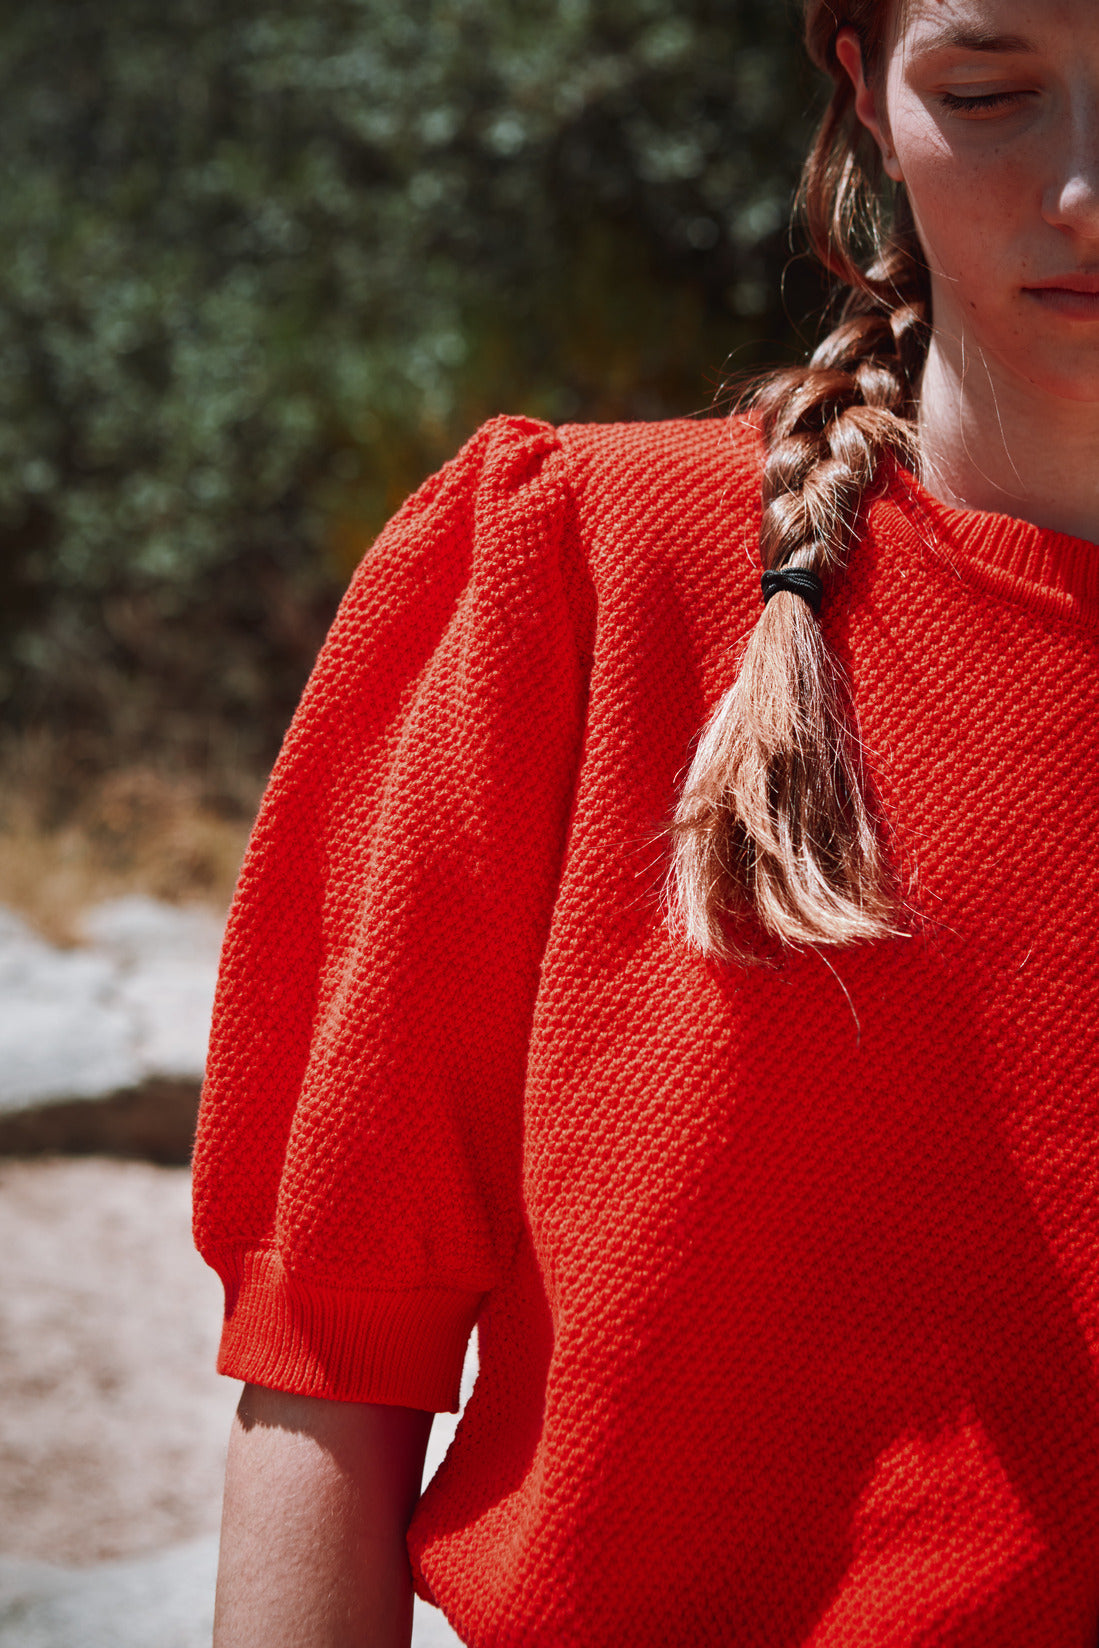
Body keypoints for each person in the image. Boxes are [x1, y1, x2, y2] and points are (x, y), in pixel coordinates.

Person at [192, 0, 1099, 1641]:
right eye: (991, 92)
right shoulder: (592, 566)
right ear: (868, 94)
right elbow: (338, 1320)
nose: (1088, 186)